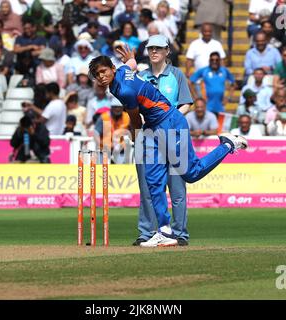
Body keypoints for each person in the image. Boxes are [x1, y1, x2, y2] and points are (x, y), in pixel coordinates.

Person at [88, 45, 248, 247]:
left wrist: (137, 139)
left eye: (103, 71)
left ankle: (227, 145)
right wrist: (131, 58)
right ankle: (164, 231)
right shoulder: (122, 71)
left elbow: (135, 120)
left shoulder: (125, 90)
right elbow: (131, 64)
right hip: (155, 127)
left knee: (191, 173)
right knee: (153, 179)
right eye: (97, 75)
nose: (101, 77)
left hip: (169, 122)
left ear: (112, 68)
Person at [135, 34, 193, 245]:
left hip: (173, 137)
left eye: (159, 48)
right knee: (149, 189)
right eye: (151, 48)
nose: (154, 52)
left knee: (177, 189)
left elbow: (186, 103)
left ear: (167, 51)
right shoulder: (140, 76)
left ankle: (179, 234)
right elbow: (133, 106)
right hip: (148, 136)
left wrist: (171, 120)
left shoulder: (176, 75)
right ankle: (148, 233)